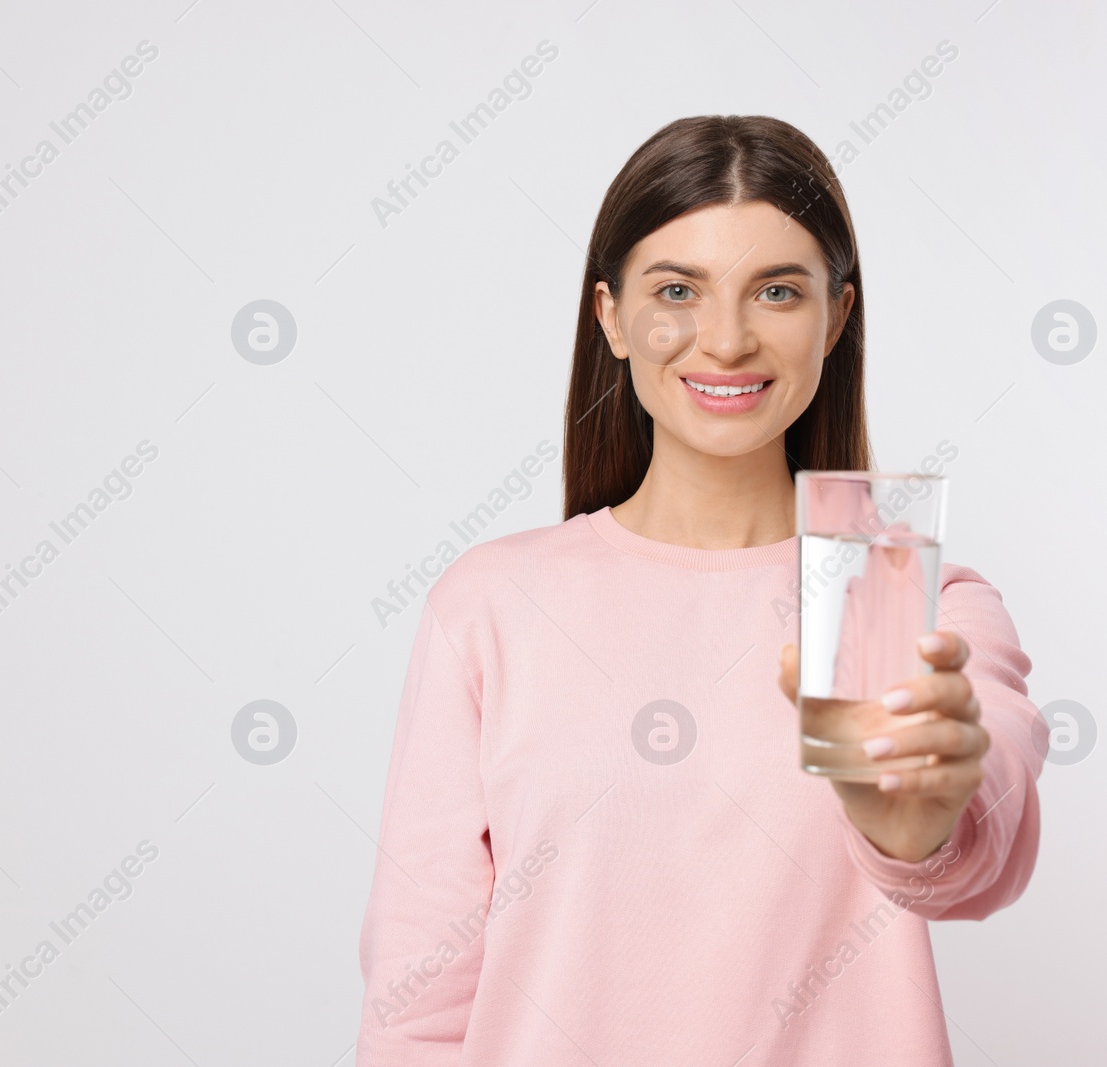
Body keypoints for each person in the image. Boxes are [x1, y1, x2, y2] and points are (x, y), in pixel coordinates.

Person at [355, 114, 1044, 1065]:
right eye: (678, 289)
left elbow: (986, 831)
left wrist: (922, 831)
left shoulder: (891, 593)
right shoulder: (494, 605)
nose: (725, 339)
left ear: (838, 316)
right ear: (611, 315)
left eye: (777, 291)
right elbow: (418, 1006)